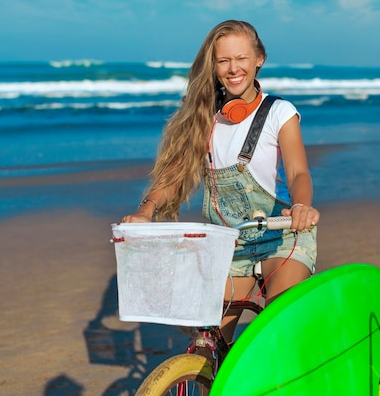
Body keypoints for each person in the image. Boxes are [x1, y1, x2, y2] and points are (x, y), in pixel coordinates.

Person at [122, 20, 319, 342]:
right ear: (212, 66)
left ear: (259, 59)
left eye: (241, 58)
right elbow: (176, 173)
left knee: (278, 330)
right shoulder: (204, 116)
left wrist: (301, 206)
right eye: (223, 60)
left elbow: (298, 172)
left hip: (283, 234)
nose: (233, 68)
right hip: (231, 243)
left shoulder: (279, 112)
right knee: (206, 343)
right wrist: (147, 209)